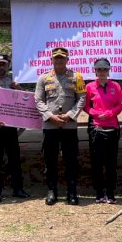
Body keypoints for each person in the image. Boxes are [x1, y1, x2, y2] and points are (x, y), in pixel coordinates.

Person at [35, 47, 86, 205]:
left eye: (62, 58)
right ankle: (52, 191)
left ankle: (72, 192)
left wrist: (70, 115)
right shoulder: (43, 78)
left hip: (69, 126)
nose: (59, 60)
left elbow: (82, 98)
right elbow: (38, 100)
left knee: (71, 160)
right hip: (50, 126)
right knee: (50, 160)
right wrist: (50, 116)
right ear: (51, 60)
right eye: (56, 58)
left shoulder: (76, 77)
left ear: (67, 60)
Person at [0, 54, 29, 202]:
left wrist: (19, 89)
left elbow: (25, 101)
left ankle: (18, 189)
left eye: (3, 64)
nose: (1, 67)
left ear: (8, 65)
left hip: (11, 128)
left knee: (14, 160)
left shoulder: (14, 81)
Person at [84, 58, 122, 204]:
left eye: (104, 70)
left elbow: (121, 104)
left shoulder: (116, 86)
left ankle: (111, 192)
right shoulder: (89, 87)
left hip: (112, 127)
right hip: (96, 127)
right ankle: (99, 192)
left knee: (111, 161)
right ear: (95, 71)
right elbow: (85, 106)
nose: (102, 72)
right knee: (97, 161)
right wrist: (95, 113)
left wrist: (108, 114)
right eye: (99, 70)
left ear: (109, 70)